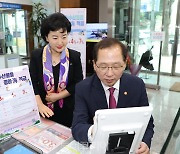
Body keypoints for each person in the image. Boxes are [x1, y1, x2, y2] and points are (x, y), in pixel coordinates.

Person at [72, 38, 154, 154]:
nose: (109, 74)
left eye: (116, 66)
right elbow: (77, 127)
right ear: (94, 65)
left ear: (125, 63)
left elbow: (148, 122)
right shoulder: (83, 88)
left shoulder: (136, 85)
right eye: (103, 66)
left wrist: (145, 143)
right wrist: (94, 131)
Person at [29, 12, 83, 128]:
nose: (60, 42)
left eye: (64, 37)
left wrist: (57, 96)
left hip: (67, 110)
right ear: (46, 37)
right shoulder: (37, 56)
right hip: (43, 109)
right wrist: (39, 105)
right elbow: (31, 83)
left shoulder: (74, 56)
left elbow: (78, 83)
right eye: (55, 38)